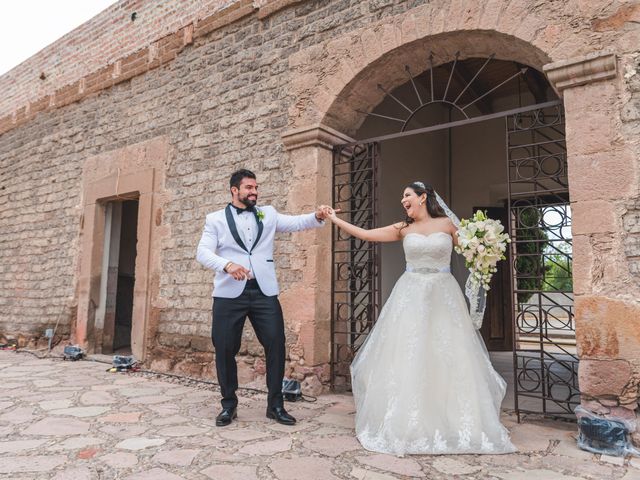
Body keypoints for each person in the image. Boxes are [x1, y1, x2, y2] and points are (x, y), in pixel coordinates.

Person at [323, 181, 516, 455]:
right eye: (402, 197)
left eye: (407, 195)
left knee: (449, 353)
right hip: (410, 294)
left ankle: (456, 420)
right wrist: (333, 218)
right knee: (410, 353)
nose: (403, 200)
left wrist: (484, 249)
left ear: (423, 197)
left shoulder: (448, 224)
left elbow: (472, 252)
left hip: (443, 294)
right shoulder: (403, 229)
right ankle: (408, 421)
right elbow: (365, 234)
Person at [196, 169, 329, 426]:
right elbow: (202, 252)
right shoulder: (215, 220)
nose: (254, 192)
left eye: (256, 188)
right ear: (234, 190)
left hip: (263, 292)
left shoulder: (267, 213)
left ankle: (275, 405)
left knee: (276, 344)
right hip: (228, 294)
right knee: (224, 349)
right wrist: (227, 265)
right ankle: (228, 405)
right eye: (248, 188)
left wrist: (317, 216)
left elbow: (296, 223)